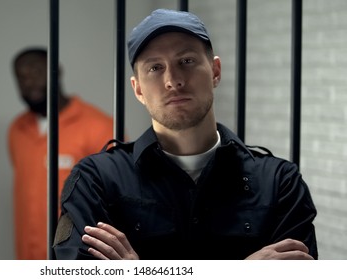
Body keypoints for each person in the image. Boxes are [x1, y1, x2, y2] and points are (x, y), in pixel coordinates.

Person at [52, 9, 318, 260]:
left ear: (215, 71)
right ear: (138, 90)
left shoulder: (280, 183)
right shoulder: (95, 182)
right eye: (155, 68)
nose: (173, 80)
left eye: (187, 61)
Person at [8, 47, 114, 259]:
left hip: (76, 261)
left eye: (36, 72)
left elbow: (116, 202)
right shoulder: (16, 130)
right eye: (22, 78)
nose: (29, 83)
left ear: (57, 71)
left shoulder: (99, 127)